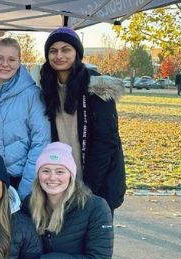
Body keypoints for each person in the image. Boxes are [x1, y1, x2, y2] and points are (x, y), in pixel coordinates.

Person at [39, 27, 126, 215]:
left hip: (95, 184)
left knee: (93, 243)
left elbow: (106, 142)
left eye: (65, 50)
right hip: (59, 182)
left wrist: (88, 189)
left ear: (77, 53)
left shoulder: (97, 89)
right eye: (53, 51)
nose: (59, 56)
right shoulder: (46, 88)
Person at [0, 35, 50, 200]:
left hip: (22, 179)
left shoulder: (32, 95)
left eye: (11, 59)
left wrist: (25, 189)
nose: (5, 64)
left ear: (19, 61)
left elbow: (40, 142)